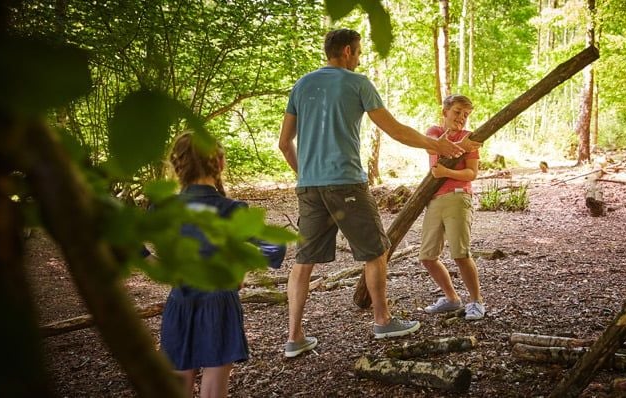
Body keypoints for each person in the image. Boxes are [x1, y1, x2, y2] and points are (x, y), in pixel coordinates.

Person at [278, 28, 480, 358]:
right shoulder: (357, 83)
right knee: (375, 251)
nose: (359, 58)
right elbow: (396, 130)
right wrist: (438, 144)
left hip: (309, 186)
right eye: (357, 52)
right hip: (346, 183)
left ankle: (294, 337)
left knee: (303, 262)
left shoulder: (302, 85)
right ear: (346, 52)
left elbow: (284, 143)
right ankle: (383, 320)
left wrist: (307, 174)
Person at [149, 132, 284, 397]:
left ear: (178, 165)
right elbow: (275, 245)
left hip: (179, 302)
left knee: (178, 380)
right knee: (213, 385)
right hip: (220, 304)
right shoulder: (232, 210)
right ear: (220, 163)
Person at [419, 94, 486, 321]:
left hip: (459, 197)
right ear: (445, 111)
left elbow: (471, 173)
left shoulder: (471, 137)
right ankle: (451, 298)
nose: (461, 118)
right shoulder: (435, 132)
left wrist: (447, 172)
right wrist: (461, 147)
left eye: (466, 115)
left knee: (460, 253)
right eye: (457, 112)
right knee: (427, 256)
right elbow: (432, 150)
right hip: (435, 199)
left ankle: (476, 302)